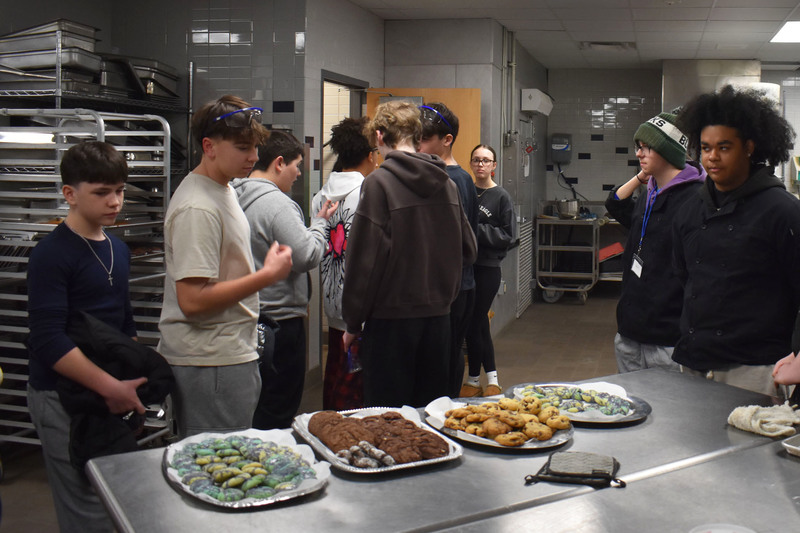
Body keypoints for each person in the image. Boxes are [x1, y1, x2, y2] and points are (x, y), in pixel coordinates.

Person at [158, 95, 293, 438]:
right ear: (209, 146)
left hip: (229, 353)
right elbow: (192, 300)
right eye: (242, 147)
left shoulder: (223, 189)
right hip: (209, 361)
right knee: (215, 468)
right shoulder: (198, 207)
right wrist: (266, 276)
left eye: (255, 147)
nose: (253, 157)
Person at [27, 141, 145, 532]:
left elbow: (123, 325)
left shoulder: (117, 248)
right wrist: (111, 386)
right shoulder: (51, 254)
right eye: (101, 192)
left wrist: (132, 383)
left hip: (107, 393)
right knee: (86, 510)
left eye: (120, 191)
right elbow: (48, 340)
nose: (115, 202)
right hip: (60, 395)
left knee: (116, 499)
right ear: (70, 194)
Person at [341, 100, 477, 408]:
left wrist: (352, 323)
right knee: (431, 416)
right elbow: (469, 250)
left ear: (378, 136)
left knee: (389, 418)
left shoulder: (379, 183)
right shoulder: (446, 182)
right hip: (439, 321)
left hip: (391, 324)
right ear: (418, 136)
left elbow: (364, 263)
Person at [673, 84, 800, 397]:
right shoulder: (690, 209)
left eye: (724, 147)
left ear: (749, 147)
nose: (712, 157)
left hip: (756, 370)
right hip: (695, 362)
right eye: (705, 148)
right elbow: (684, 277)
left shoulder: (782, 212)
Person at [232, 130, 337, 429]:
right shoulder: (277, 203)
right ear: (279, 163)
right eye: (296, 166)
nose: (298, 174)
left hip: (249, 317)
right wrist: (319, 224)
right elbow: (305, 256)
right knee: (278, 407)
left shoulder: (235, 194)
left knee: (258, 403)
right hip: (279, 324)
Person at [604, 112, 706, 373]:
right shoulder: (650, 193)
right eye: (638, 147)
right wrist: (641, 178)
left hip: (667, 340)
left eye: (646, 147)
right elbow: (614, 203)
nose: (639, 153)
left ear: (668, 151)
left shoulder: (696, 199)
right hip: (630, 332)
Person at [312, 117, 378, 411]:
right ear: (370, 154)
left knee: (336, 374)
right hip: (361, 305)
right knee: (358, 388)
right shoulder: (369, 192)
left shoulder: (321, 195)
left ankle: (329, 430)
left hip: (331, 302)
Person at [418, 103, 479, 398]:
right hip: (454, 286)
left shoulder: (452, 179)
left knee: (446, 357)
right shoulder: (453, 176)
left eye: (424, 139)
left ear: (447, 140)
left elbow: (458, 243)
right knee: (445, 355)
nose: (418, 146)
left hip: (453, 288)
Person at [460, 144, 516, 398]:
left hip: (488, 269)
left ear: (494, 166)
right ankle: (487, 379)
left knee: (476, 320)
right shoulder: (466, 192)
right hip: (466, 267)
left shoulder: (501, 196)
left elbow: (508, 235)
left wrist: (476, 228)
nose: (481, 164)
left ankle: (476, 379)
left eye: (486, 160)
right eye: (476, 160)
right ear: (471, 164)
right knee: (477, 322)